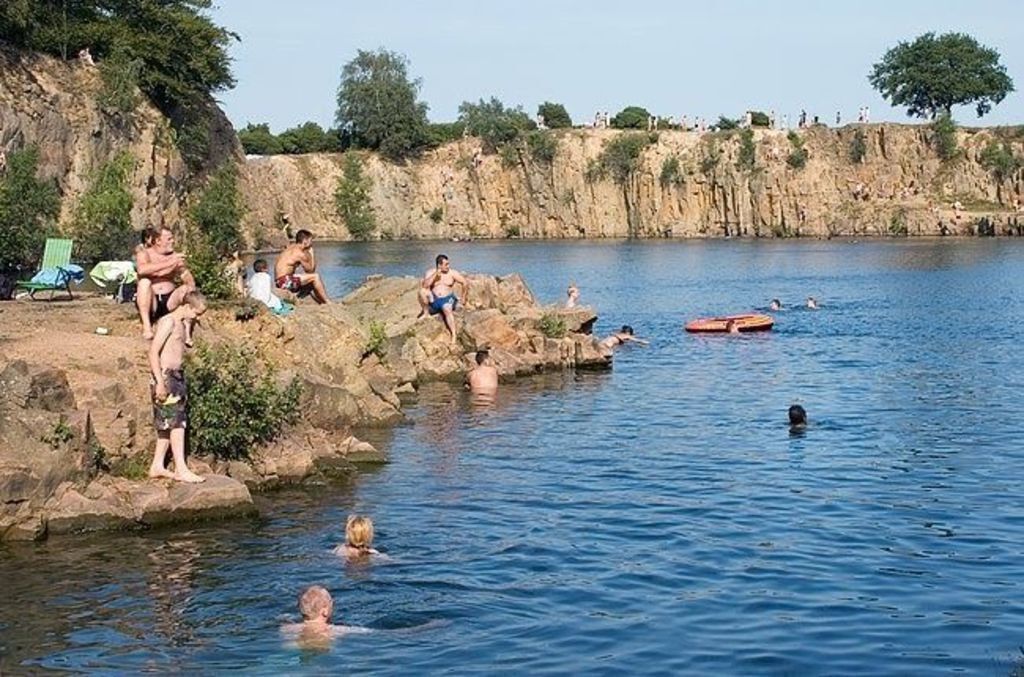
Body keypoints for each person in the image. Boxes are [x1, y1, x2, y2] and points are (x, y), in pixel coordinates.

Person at [148, 290, 206, 483]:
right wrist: (160, 382)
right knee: (177, 423)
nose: (197, 318)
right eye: (196, 314)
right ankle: (181, 468)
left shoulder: (182, 323)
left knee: (166, 424)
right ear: (188, 307)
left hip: (177, 376)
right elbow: (153, 352)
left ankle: (157, 465)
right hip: (166, 376)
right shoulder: (169, 322)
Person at [135, 226, 196, 341]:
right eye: (169, 239)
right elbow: (142, 270)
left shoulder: (175, 256)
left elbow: (187, 278)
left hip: (170, 300)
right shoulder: (145, 254)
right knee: (144, 282)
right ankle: (147, 327)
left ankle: (187, 330)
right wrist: (170, 263)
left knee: (187, 288)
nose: (173, 241)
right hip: (152, 301)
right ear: (158, 241)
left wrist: (186, 276)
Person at [280, 586, 369, 644]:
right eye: (331, 602)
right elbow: (367, 632)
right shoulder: (335, 630)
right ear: (324, 611)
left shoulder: (287, 629)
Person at [417, 254, 469, 345]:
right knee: (422, 292)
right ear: (439, 265)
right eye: (446, 264)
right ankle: (426, 313)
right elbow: (425, 286)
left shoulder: (452, 273)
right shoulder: (430, 272)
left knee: (446, 308)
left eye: (448, 264)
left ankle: (453, 335)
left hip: (447, 299)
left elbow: (465, 283)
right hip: (435, 300)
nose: (448, 266)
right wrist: (435, 275)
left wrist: (464, 298)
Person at [274, 229, 330, 304]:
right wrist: (312, 254)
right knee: (315, 277)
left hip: (279, 281)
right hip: (285, 281)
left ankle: (318, 302)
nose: (312, 243)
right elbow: (310, 270)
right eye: (311, 241)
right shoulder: (299, 253)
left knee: (310, 283)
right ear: (305, 241)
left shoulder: (291, 247)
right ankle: (327, 302)